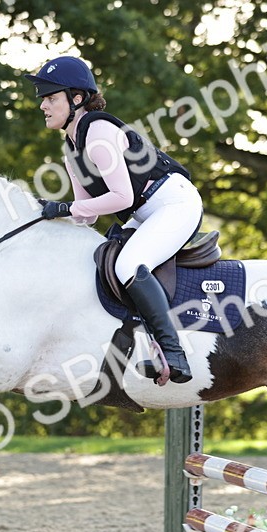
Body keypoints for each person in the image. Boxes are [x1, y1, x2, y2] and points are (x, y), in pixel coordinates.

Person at [25, 55, 201, 384]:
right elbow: (85, 212)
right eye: (43, 99)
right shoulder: (71, 146)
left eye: (50, 98)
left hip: (175, 203)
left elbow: (122, 198)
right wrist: (40, 221)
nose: (43, 106)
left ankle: (174, 353)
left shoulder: (99, 132)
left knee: (127, 266)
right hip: (146, 212)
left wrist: (62, 209)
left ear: (76, 99)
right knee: (99, 259)